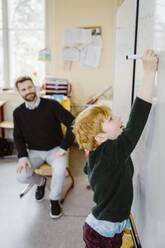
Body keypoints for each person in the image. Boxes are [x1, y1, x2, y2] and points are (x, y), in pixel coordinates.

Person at [73, 50, 158, 248]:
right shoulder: (111, 153)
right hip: (104, 235)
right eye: (111, 119)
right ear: (101, 137)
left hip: (104, 227)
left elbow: (88, 168)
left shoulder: (99, 152)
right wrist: (148, 73)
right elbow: (135, 123)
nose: (119, 118)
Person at [13, 76, 75, 219]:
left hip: (55, 149)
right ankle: (41, 182)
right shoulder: (18, 112)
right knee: (21, 175)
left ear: (35, 87)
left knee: (59, 169)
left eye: (29, 87)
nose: (27, 91)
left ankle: (54, 200)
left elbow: (73, 123)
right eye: (23, 89)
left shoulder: (52, 105)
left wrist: (63, 148)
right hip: (33, 151)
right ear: (20, 93)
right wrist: (22, 156)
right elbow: (17, 136)